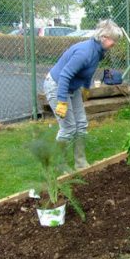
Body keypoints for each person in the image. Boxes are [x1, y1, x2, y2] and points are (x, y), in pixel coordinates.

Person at [42, 19, 122, 172]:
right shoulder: (85, 52)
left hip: (74, 87)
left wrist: (86, 88)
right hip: (57, 85)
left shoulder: (99, 52)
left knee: (81, 125)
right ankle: (61, 165)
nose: (115, 44)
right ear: (104, 37)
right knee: (68, 127)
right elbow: (65, 75)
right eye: (114, 40)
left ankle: (80, 163)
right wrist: (62, 102)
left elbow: (88, 72)